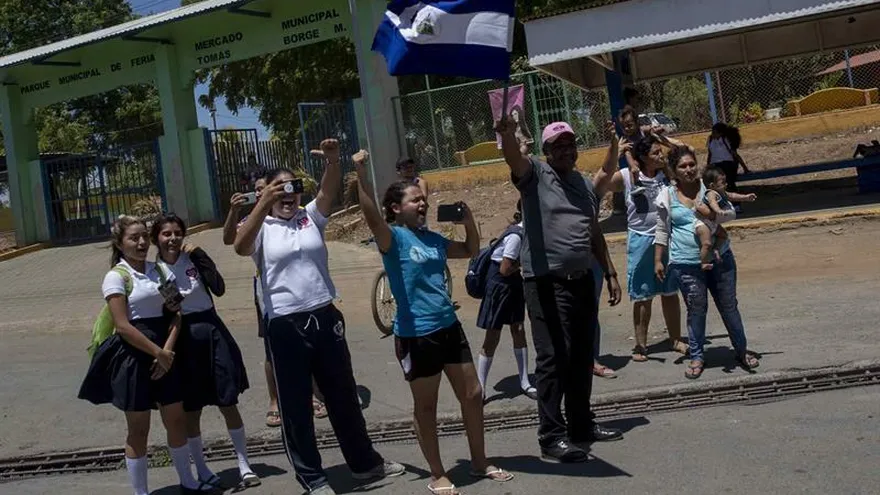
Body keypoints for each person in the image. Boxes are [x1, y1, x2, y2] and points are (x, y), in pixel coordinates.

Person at [233, 139, 404, 495]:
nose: (288, 194)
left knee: (343, 396)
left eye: (293, 186)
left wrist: (332, 161)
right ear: (267, 193)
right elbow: (240, 247)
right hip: (285, 324)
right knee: (296, 406)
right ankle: (313, 477)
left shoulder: (309, 216)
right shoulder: (260, 225)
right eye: (279, 188)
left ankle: (364, 464)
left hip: (324, 316)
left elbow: (327, 191)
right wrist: (262, 203)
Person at [353, 150, 513, 495]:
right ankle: (437, 473)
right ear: (396, 208)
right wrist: (361, 173)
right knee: (427, 406)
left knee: (473, 394)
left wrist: (468, 220)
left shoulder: (433, 240)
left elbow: (470, 250)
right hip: (416, 334)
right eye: (415, 200)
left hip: (448, 327)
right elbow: (371, 216)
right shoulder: (393, 238)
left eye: (423, 199)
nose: (422, 203)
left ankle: (479, 461)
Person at [496, 116, 623, 463]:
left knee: (581, 356)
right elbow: (514, 159)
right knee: (553, 359)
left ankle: (581, 425)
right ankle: (551, 436)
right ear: (547, 151)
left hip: (581, 280)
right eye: (558, 146)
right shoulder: (536, 175)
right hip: (545, 283)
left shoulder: (582, 184)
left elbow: (593, 230)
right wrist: (507, 136)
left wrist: (610, 272)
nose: (566, 150)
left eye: (571, 144)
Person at [78, 216, 216, 495]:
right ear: (120, 244)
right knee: (139, 429)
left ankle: (188, 482)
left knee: (176, 420)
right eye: (134, 238)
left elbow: (176, 314)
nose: (141, 243)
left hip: (165, 353)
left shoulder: (159, 271)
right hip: (134, 357)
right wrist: (157, 353)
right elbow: (122, 326)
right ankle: (141, 491)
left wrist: (167, 351)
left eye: (144, 236)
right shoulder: (117, 277)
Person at [153, 214, 258, 490]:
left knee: (228, 400)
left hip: (212, 331)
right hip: (182, 338)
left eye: (177, 232)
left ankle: (244, 465)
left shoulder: (193, 259)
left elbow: (219, 288)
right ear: (157, 239)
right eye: (166, 234)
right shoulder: (155, 272)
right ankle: (201, 469)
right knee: (192, 409)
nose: (173, 238)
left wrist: (200, 255)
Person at [223, 174, 328, 426]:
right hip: (269, 296)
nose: (264, 193)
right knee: (272, 351)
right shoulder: (254, 220)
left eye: (268, 188)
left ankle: (315, 394)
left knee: (312, 348)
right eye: (259, 190)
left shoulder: (298, 213)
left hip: (309, 300)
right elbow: (231, 241)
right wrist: (234, 212)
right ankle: (274, 400)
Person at [654, 146, 761, 380]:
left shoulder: (709, 188)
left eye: (691, 164)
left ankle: (741, 350)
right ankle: (697, 356)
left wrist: (712, 214)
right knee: (696, 310)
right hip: (686, 264)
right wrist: (658, 260)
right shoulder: (666, 196)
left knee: (729, 306)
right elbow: (661, 230)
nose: (688, 169)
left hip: (721, 258)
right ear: (674, 170)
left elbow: (731, 213)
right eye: (683, 166)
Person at [594, 129, 688, 362]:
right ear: (644, 157)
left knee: (670, 291)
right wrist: (617, 152)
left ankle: (675, 339)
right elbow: (602, 181)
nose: (661, 156)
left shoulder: (667, 174)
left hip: (667, 238)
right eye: (656, 153)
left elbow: (684, 151)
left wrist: (663, 139)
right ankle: (641, 345)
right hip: (641, 240)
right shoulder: (627, 176)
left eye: (660, 152)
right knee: (643, 295)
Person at [475, 200, 537, 401]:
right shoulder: (517, 236)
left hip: (513, 283)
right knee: (492, 336)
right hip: (500, 285)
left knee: (518, 329)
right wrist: (525, 261)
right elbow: (505, 268)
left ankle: (525, 382)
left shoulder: (528, 232)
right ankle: (480, 387)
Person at [695, 167, 757, 269]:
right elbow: (712, 203)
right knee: (706, 243)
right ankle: (703, 262)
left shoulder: (722, 192)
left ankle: (716, 249)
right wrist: (718, 210)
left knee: (723, 235)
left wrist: (745, 197)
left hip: (713, 223)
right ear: (712, 185)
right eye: (723, 182)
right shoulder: (711, 193)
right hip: (703, 223)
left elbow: (732, 196)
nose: (726, 184)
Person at [706, 122, 750, 211]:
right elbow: (710, 154)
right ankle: (720, 204)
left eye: (715, 132)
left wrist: (744, 168)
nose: (712, 134)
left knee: (729, 183)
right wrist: (708, 165)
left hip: (727, 164)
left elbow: (734, 154)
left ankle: (736, 205)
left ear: (721, 133)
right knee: (715, 184)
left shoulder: (725, 140)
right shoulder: (711, 140)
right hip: (716, 165)